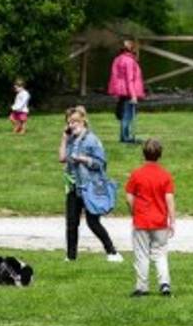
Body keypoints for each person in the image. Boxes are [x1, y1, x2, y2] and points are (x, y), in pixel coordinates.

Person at [59, 106, 122, 262]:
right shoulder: (71, 139)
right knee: (71, 223)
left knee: (92, 222)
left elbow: (101, 164)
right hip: (73, 186)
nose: (72, 125)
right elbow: (62, 158)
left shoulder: (92, 140)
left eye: (75, 121)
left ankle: (112, 252)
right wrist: (64, 138)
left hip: (89, 187)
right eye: (69, 122)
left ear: (83, 121)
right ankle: (71, 257)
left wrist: (84, 159)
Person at [125, 138, 176, 297]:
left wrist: (134, 210)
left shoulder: (137, 174)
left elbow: (129, 196)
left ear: (143, 154)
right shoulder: (165, 175)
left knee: (141, 254)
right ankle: (164, 284)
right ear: (160, 155)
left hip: (141, 220)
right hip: (160, 220)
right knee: (160, 253)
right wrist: (172, 221)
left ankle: (142, 287)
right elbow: (169, 199)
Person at [107, 37, 146, 144]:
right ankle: (125, 137)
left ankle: (125, 136)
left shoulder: (118, 59)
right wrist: (133, 95)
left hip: (122, 92)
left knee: (125, 114)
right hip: (128, 92)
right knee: (127, 116)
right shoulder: (129, 61)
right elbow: (130, 79)